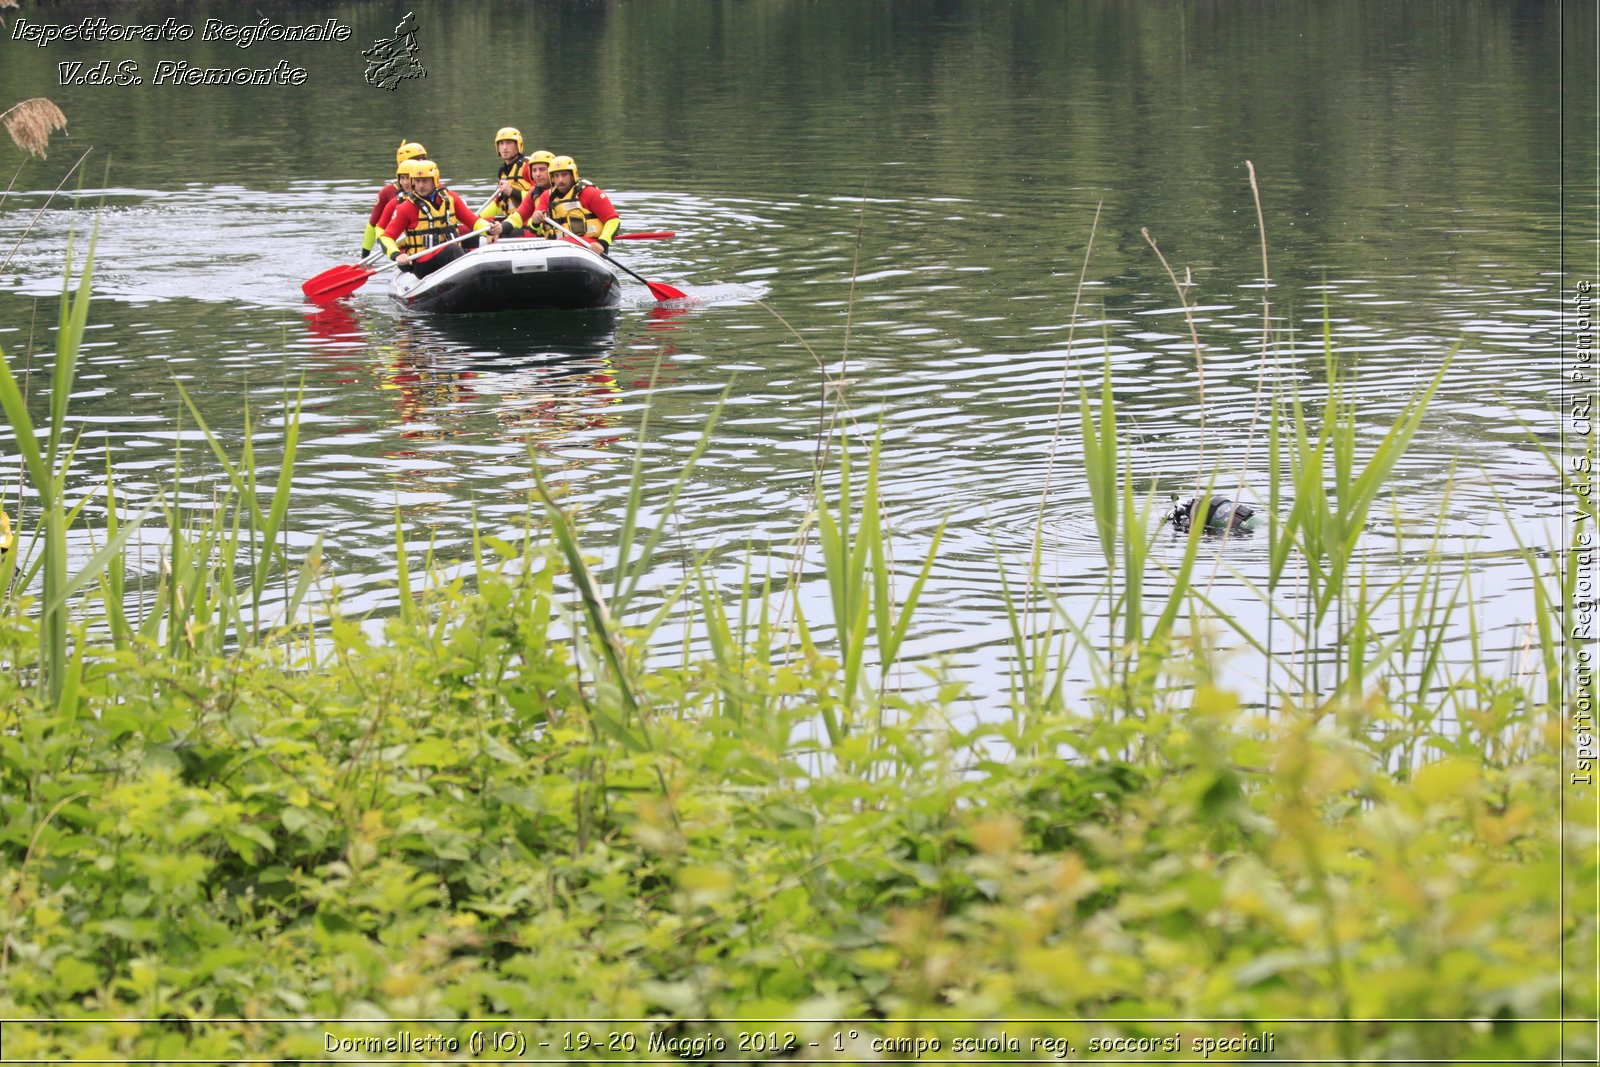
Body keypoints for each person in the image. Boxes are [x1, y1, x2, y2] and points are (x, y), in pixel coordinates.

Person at [377, 160, 490, 277]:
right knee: (452, 250)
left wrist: (490, 229)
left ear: (435, 181)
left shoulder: (451, 198)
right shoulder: (405, 207)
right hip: (423, 261)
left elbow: (473, 221)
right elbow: (386, 238)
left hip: (448, 254)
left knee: (483, 251)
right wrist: (397, 255)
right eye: (417, 181)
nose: (420, 185)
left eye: (425, 181)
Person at [498, 155, 619, 253]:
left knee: (563, 243)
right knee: (561, 243)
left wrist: (602, 243)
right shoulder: (547, 196)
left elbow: (613, 220)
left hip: (590, 245)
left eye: (564, 175)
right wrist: (535, 221)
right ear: (552, 178)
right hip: (559, 247)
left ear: (573, 175)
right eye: (556, 176)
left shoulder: (590, 193)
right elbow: (535, 228)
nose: (560, 180)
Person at [361, 140, 427, 259]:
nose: (422, 163)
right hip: (403, 244)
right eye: (418, 159)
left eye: (424, 159)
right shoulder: (388, 193)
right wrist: (364, 257)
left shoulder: (433, 186)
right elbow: (373, 225)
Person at [487, 149, 555, 238]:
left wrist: (512, 192)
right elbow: (517, 218)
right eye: (534, 170)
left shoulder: (567, 191)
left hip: (564, 239)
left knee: (510, 234)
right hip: (543, 234)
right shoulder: (534, 192)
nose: (537, 174)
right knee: (502, 232)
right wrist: (501, 228)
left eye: (542, 169)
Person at [478, 127, 533, 223]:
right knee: (468, 227)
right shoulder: (503, 172)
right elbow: (498, 203)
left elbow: (541, 197)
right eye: (501, 143)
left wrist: (512, 192)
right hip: (510, 221)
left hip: (529, 221)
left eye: (509, 143)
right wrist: (477, 218)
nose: (504, 147)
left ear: (517, 145)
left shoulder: (529, 167)